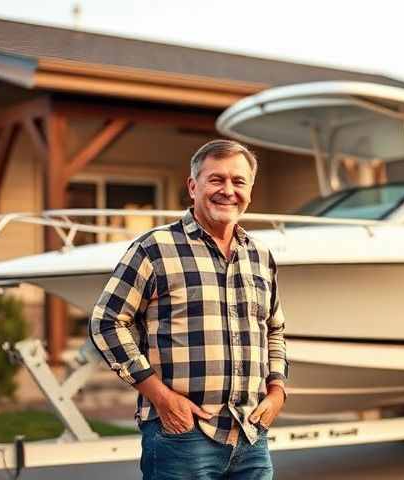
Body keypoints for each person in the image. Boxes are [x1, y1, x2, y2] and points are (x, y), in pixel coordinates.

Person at [89, 139, 288, 480]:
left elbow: (274, 329)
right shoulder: (154, 248)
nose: (228, 190)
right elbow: (107, 322)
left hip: (252, 434)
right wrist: (161, 398)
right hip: (182, 434)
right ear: (193, 186)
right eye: (216, 179)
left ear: (250, 191)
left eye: (238, 182)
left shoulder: (260, 255)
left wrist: (277, 391)